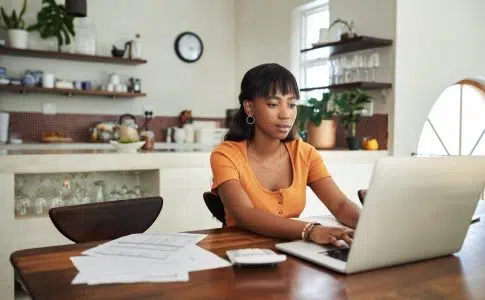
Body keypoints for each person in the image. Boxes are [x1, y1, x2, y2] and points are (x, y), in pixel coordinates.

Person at [210, 63, 360, 247]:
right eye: (273, 104)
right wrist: (311, 230)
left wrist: (372, 228)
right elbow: (244, 214)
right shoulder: (226, 155)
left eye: (291, 104)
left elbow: (340, 205)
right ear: (249, 107)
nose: (286, 114)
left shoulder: (305, 153)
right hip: (240, 253)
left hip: (293, 251)